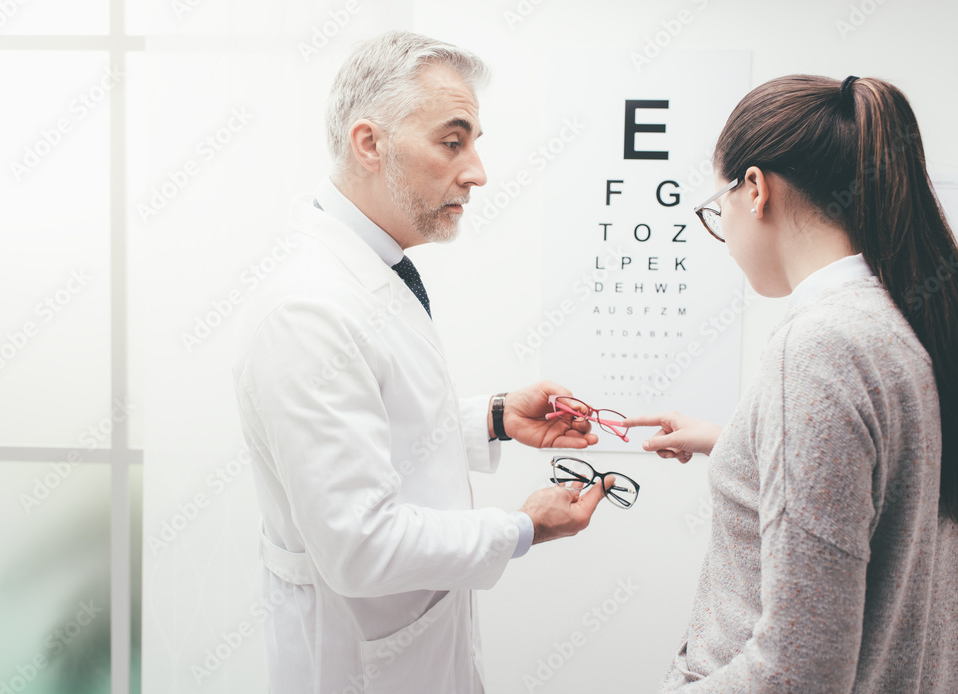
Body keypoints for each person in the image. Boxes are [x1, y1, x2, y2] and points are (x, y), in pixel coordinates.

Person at [230, 31, 612, 694]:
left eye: (474, 142)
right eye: (452, 140)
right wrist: (523, 527)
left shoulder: (374, 267)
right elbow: (360, 547)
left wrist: (492, 419)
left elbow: (378, 418)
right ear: (370, 144)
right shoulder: (309, 308)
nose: (478, 172)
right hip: (356, 665)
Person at [628, 75, 958, 692]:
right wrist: (737, 444)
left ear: (754, 190)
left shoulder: (819, 346)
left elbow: (800, 667)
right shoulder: (912, 320)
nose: (721, 235)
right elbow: (887, 479)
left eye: (713, 211)